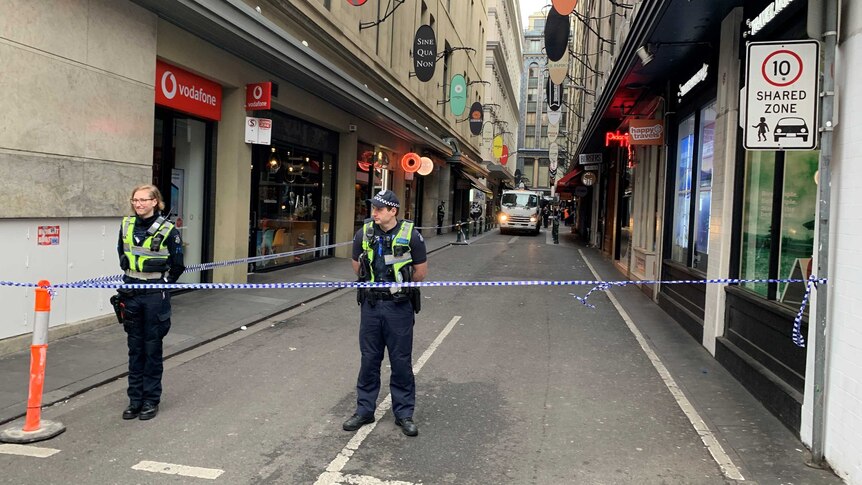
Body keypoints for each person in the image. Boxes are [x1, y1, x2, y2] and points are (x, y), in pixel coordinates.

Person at [344, 189, 428, 437]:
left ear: (393, 210)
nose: (374, 212)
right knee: (369, 359)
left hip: (398, 307)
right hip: (371, 307)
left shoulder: (411, 234)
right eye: (373, 208)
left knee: (400, 361)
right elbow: (356, 266)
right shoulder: (364, 232)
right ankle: (364, 411)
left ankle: (404, 414)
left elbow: (421, 271)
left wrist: (398, 289)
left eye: (379, 208)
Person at [115, 184, 184, 421]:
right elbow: (122, 256)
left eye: (143, 200)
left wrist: (163, 285)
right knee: (135, 349)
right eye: (135, 200)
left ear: (155, 202)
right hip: (132, 292)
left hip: (154, 295)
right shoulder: (126, 226)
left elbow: (177, 265)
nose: (138, 204)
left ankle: (150, 400)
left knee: (152, 349)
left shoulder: (168, 230)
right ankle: (134, 400)